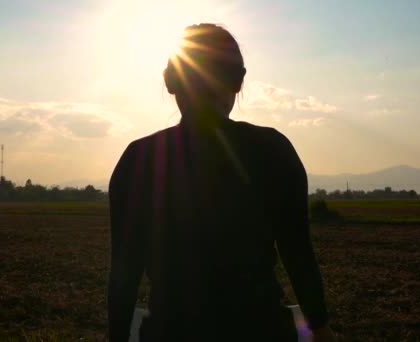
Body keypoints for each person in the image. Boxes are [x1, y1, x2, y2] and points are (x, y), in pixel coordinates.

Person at [108, 23, 335, 342]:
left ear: (170, 81)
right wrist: (320, 327)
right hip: (263, 331)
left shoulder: (138, 159)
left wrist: (117, 336)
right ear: (238, 82)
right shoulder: (273, 149)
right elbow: (298, 255)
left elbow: (124, 273)